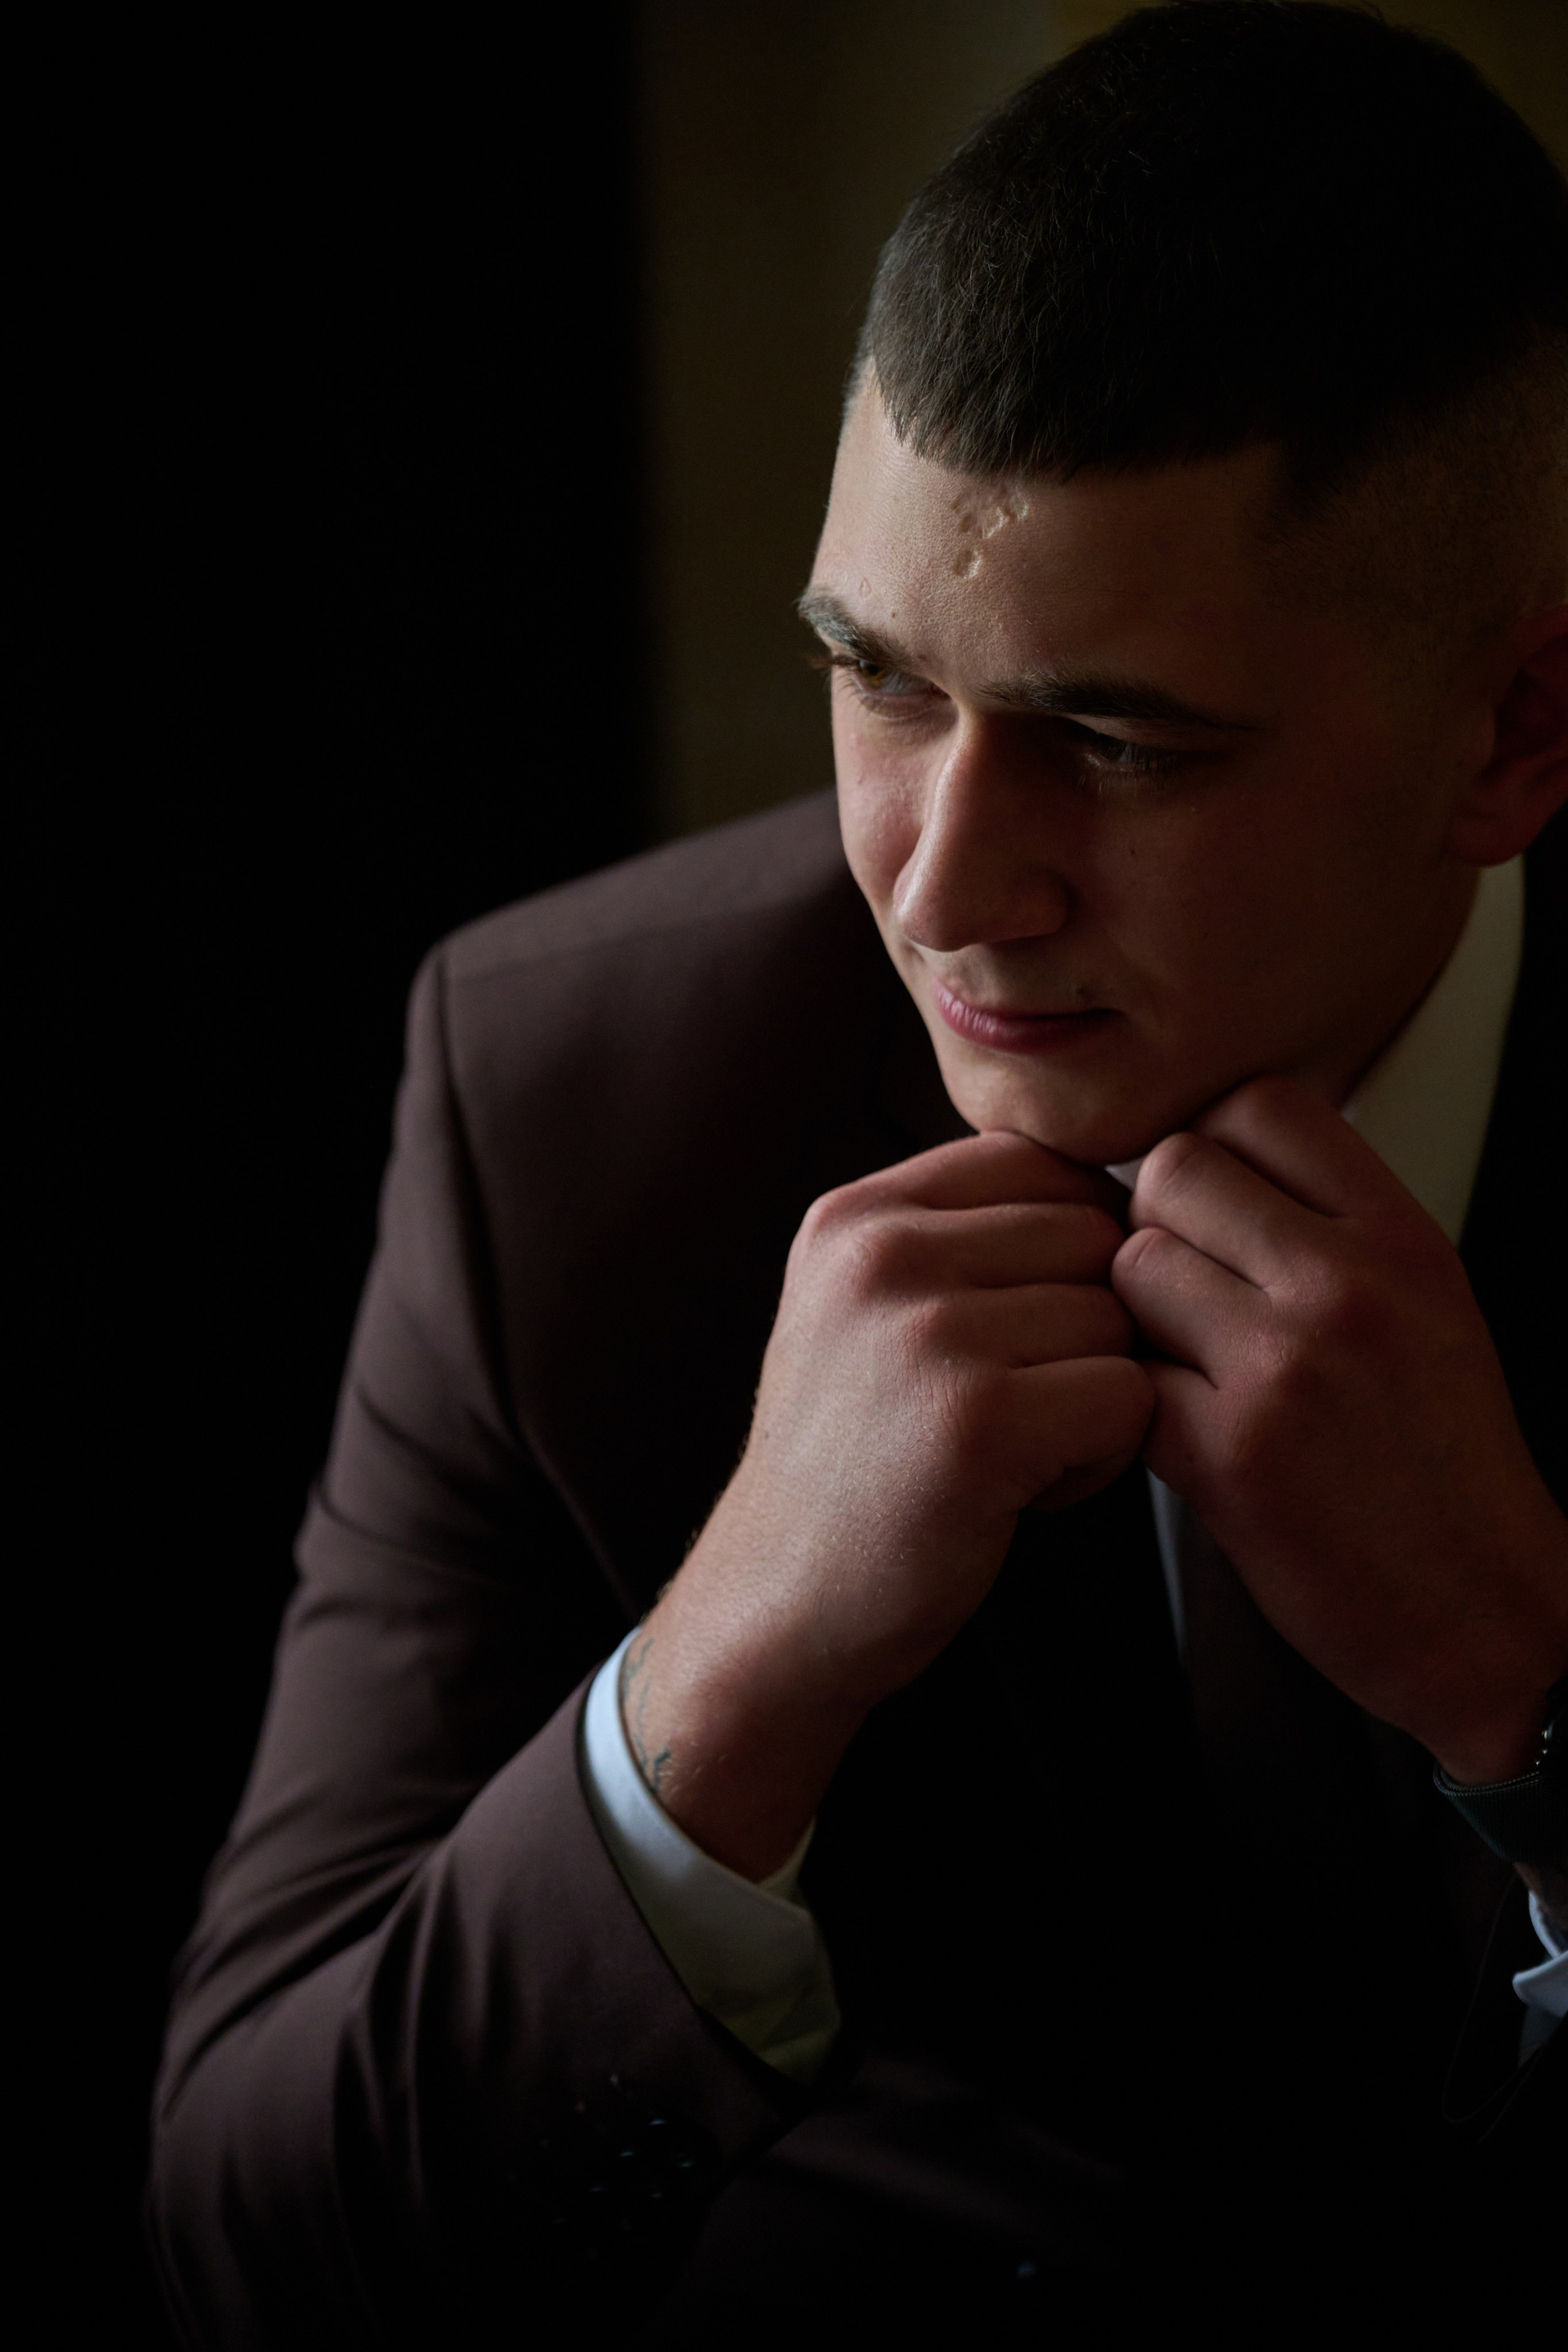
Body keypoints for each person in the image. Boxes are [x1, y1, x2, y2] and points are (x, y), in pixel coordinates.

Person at [149, 5, 1568, 2341]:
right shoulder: (567, 1103)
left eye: (1119, 742)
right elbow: (257, 2246)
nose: (938, 885)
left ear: (1513, 729)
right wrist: (725, 1677)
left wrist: (1540, 1703)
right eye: (883, 679)